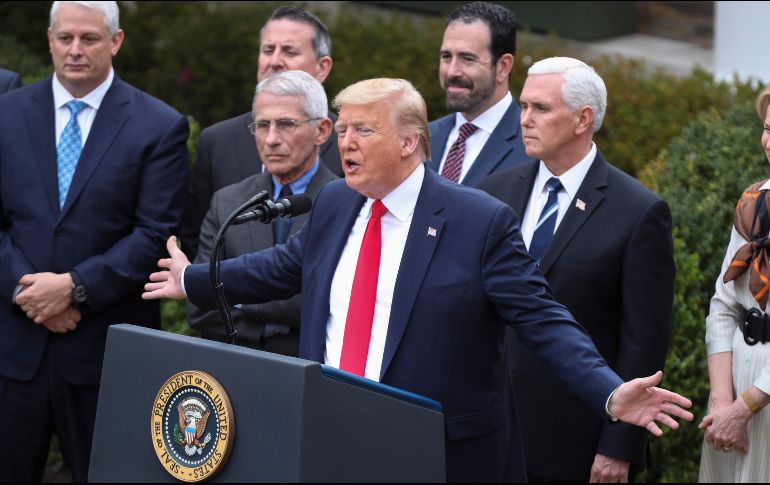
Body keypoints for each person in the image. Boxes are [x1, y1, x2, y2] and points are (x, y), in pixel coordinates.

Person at [143, 78, 693, 483]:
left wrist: (608, 392)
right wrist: (193, 279)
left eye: (364, 130)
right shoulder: (336, 202)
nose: (346, 143)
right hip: (330, 432)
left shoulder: (478, 221)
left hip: (435, 451)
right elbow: (283, 266)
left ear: (409, 142)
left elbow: (544, 320)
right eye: (344, 129)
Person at [0, 1, 189, 481]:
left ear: (116, 41)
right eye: (65, 38)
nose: (75, 50)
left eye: (89, 39)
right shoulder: (6, 113)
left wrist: (74, 287)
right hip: (14, 352)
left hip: (103, 354)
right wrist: (27, 291)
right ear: (49, 39)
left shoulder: (159, 125)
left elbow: (154, 234)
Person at [479, 57, 675, 482]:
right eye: (523, 106)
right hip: (488, 429)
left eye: (541, 108)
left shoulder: (638, 212)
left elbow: (643, 341)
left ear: (583, 119)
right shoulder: (493, 192)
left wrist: (618, 446)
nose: (524, 119)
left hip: (575, 439)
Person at [187, 70, 338, 354]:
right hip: (236, 365)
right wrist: (282, 320)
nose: (271, 139)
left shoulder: (346, 204)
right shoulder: (227, 201)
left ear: (322, 131)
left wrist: (237, 299)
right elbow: (199, 309)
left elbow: (333, 307)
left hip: (310, 367)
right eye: (262, 125)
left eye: (286, 124)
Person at [180, 5, 341, 260]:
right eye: (268, 50)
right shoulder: (218, 141)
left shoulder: (350, 142)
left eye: (289, 51)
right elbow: (198, 239)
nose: (274, 61)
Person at [698, 86, 770, 482]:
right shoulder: (753, 203)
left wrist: (745, 409)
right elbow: (723, 305)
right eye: (768, 128)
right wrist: (723, 403)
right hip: (732, 385)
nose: (769, 141)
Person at [428, 1, 532, 188]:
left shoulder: (533, 147)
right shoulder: (423, 137)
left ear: (503, 67)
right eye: (446, 57)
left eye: (467, 59)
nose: (451, 72)